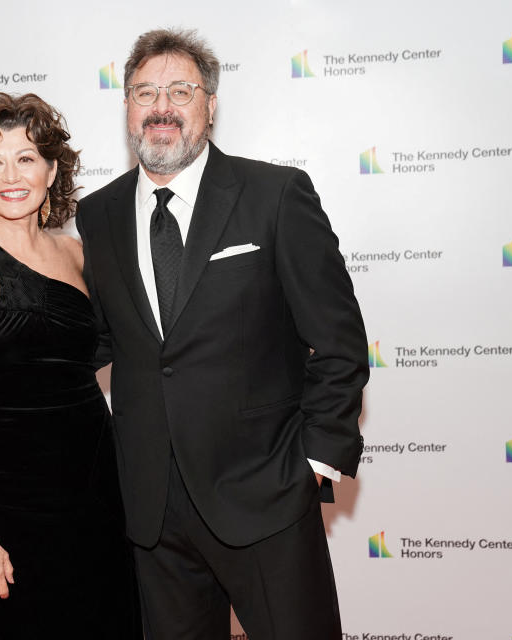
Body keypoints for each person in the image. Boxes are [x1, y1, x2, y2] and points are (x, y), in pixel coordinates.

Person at [75, 29, 369, 639]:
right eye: (144, 92)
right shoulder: (97, 214)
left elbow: (338, 340)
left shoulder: (276, 194)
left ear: (210, 105)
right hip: (152, 509)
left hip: (265, 492)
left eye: (180, 91)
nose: (161, 107)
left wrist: (315, 461)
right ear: (126, 107)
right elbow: (103, 340)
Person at [0, 92, 141, 639]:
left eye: (25, 158)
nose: (10, 175)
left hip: (97, 493)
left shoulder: (78, 255)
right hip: (10, 511)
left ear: (51, 169)